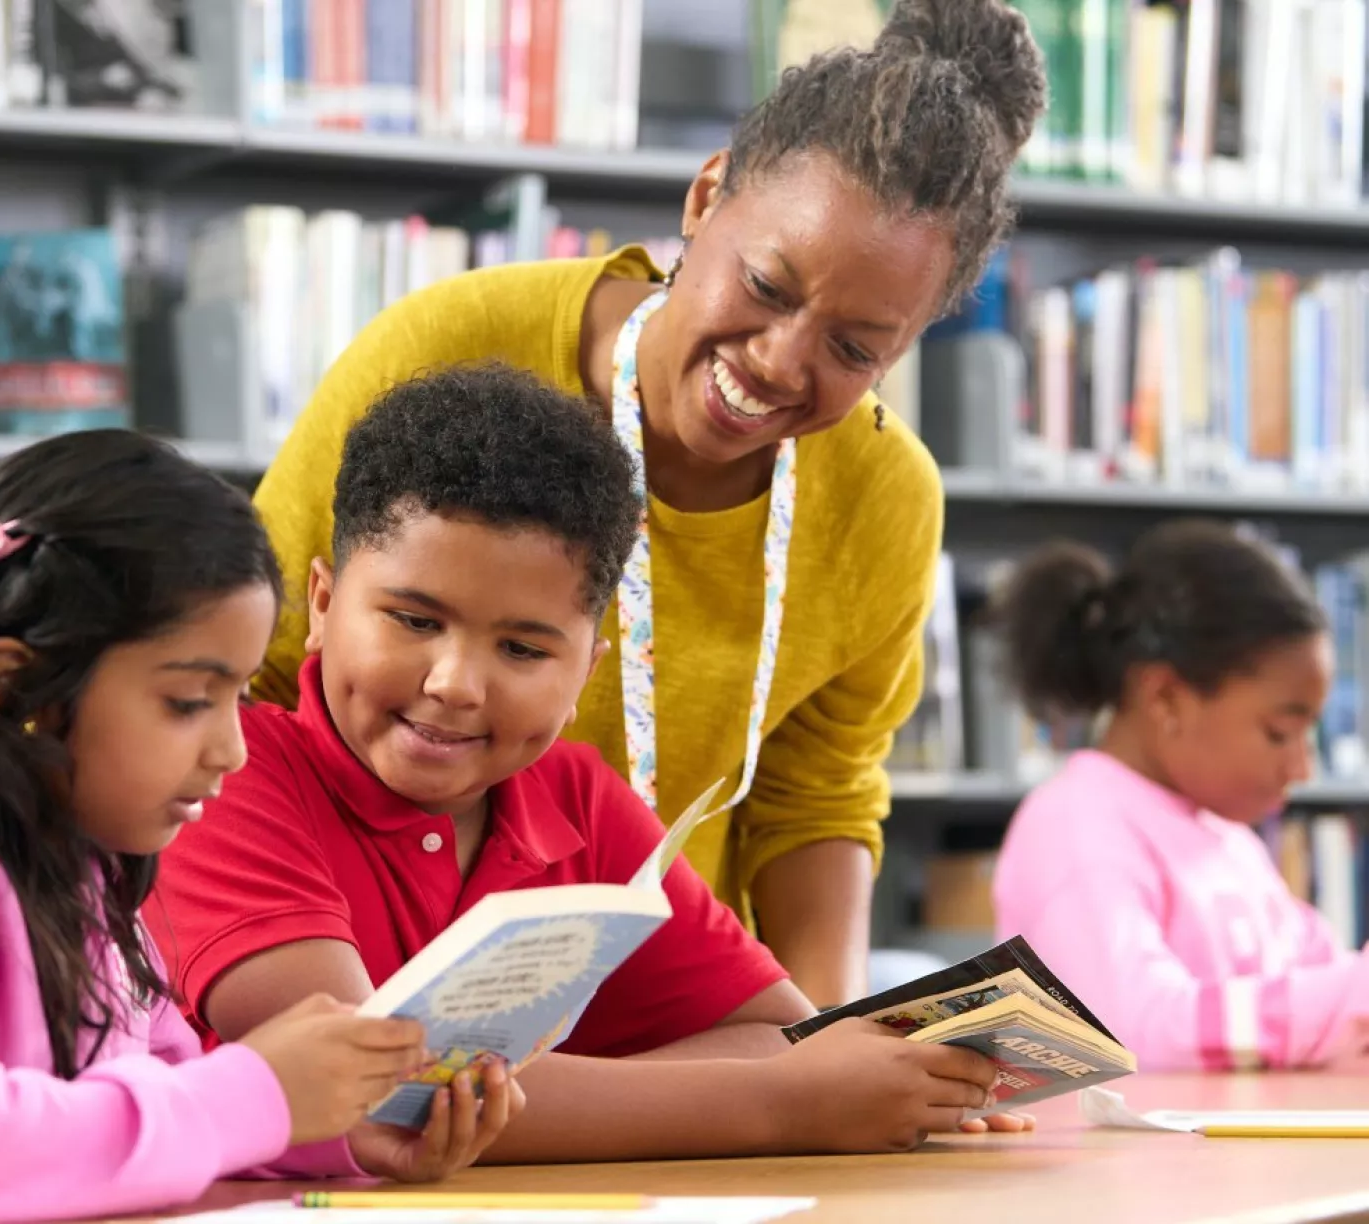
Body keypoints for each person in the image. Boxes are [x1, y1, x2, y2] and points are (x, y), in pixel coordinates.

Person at [250, 0, 1048, 1006]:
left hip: (665, 1020)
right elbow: (257, 673)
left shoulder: (884, 497)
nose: (778, 362)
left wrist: (830, 1056)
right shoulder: (450, 347)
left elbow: (817, 801)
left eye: (856, 349)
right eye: (766, 284)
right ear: (707, 195)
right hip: (358, 978)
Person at [149, 363, 1026, 1165]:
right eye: (414, 621)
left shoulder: (578, 799)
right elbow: (369, 1089)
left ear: (587, 672)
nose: (455, 685)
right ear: (323, 602)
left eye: (524, 650)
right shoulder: (226, 774)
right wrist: (791, 1104)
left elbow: (781, 1038)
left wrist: (818, 1085)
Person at [0, 432, 520, 1224]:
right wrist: (254, 1093)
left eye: (236, 697)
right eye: (189, 701)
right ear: (17, 685)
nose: (231, 749)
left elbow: (155, 1110)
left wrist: (335, 1134)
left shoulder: (90, 878)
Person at [990, 519, 1369, 1071]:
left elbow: (1325, 984)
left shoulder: (1229, 840)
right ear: (1165, 697)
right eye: (1279, 733)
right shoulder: (1076, 824)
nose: (1302, 767)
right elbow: (1125, 1034)